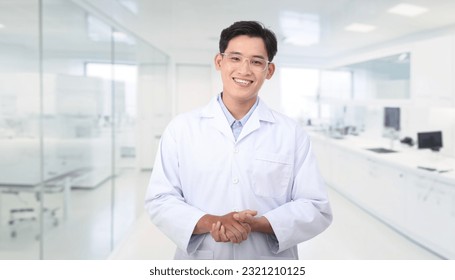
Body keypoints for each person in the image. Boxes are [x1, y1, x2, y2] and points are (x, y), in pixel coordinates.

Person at [145, 20, 332, 260]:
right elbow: (160, 199)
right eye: (235, 58)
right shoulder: (181, 129)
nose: (244, 70)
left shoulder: (291, 133)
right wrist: (211, 221)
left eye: (256, 61)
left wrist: (258, 224)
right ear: (219, 62)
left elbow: (316, 207)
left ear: (269, 70)